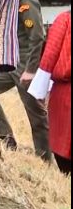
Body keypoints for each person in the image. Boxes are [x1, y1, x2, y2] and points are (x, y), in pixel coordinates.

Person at [0, 0, 50, 159]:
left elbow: (37, 37)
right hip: (10, 61)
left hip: (26, 60)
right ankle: (6, 141)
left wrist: (30, 70)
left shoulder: (24, 1)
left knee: (35, 112)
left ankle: (45, 158)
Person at [29, 10, 72, 173]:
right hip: (64, 89)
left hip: (65, 92)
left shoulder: (65, 19)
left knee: (64, 145)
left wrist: (40, 86)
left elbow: (51, 52)